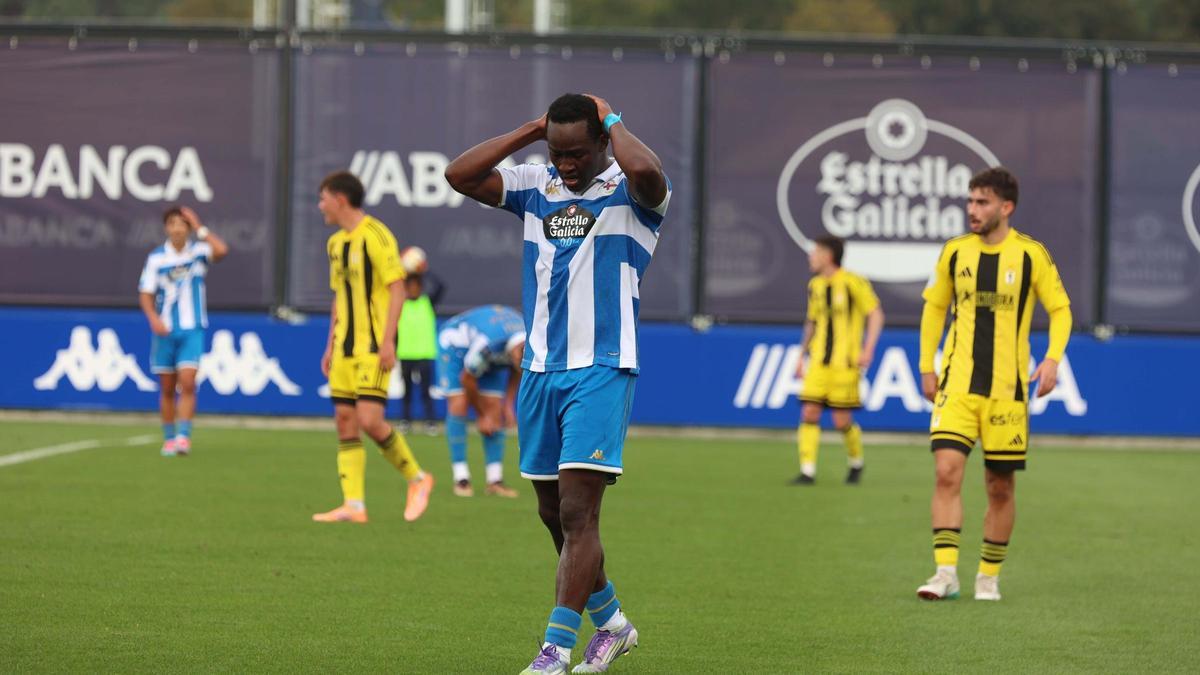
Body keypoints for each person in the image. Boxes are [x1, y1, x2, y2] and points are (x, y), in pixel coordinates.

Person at [446, 93, 669, 674]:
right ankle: (614, 624)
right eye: (558, 151)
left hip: (601, 366)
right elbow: (459, 174)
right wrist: (531, 131)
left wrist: (615, 117)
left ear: (602, 142)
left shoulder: (633, 191)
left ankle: (555, 651)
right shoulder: (535, 184)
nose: (566, 164)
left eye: (577, 153)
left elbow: (647, 170)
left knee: (577, 514)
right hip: (540, 369)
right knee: (552, 513)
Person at [915, 167, 1071, 602]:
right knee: (946, 472)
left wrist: (1053, 359)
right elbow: (934, 310)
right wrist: (926, 365)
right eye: (970, 201)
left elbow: (1060, 309)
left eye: (982, 203)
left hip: (1007, 393)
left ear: (1006, 207)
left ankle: (988, 575)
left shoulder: (1031, 255)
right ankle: (945, 574)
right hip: (957, 388)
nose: (972, 210)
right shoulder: (954, 253)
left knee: (999, 486)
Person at [312, 170, 434, 524]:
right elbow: (339, 296)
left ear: (340, 199)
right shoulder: (335, 244)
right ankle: (354, 505)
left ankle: (418, 477)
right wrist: (328, 345)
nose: (320, 206)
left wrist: (387, 342)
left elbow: (396, 288)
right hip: (343, 349)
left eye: (323, 199)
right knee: (345, 421)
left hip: (371, 347)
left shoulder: (376, 235)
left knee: (369, 420)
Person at [793, 235, 884, 485]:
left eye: (816, 252)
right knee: (809, 411)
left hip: (845, 364)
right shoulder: (816, 286)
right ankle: (807, 471)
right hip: (819, 363)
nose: (811, 257)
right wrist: (801, 356)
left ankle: (856, 462)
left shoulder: (853, 282)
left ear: (828, 255)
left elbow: (876, 314)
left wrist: (868, 349)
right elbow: (812, 322)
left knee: (841, 419)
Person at [138, 206, 228, 457]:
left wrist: (200, 226)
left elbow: (222, 250)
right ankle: (168, 438)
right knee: (167, 387)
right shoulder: (157, 258)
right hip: (165, 331)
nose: (177, 228)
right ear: (166, 228)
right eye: (172, 224)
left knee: (187, 382)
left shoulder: (198, 252)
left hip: (192, 329)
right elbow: (145, 294)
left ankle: (183, 437)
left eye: (182, 224)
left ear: (188, 228)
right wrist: (153, 320)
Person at [436, 305, 525, 498]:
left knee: (495, 409)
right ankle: (461, 478)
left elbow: (518, 369)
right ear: (515, 350)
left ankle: (495, 481)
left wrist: (508, 404)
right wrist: (481, 415)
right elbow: (467, 378)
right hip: (456, 347)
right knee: (458, 404)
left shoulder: (532, 342)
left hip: (493, 357)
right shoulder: (487, 344)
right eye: (519, 358)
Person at [396, 268, 445, 435]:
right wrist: (404, 273)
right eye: (410, 286)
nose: (413, 289)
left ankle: (430, 422)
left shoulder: (427, 302)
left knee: (426, 391)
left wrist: (424, 272)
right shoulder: (400, 303)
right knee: (407, 391)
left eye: (416, 286)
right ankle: (405, 421)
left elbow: (440, 286)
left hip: (424, 353)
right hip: (406, 353)